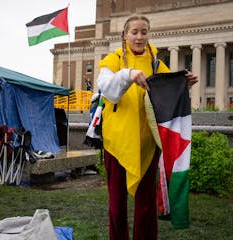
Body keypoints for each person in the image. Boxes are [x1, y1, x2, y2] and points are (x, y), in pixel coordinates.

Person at [96, 15, 198, 240]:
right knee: (117, 206)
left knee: (145, 207)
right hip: (117, 144)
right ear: (125, 35)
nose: (140, 37)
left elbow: (166, 93)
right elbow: (107, 89)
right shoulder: (114, 60)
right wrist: (128, 74)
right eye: (134, 32)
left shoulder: (156, 63)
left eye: (144, 32)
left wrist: (183, 84)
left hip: (147, 145)